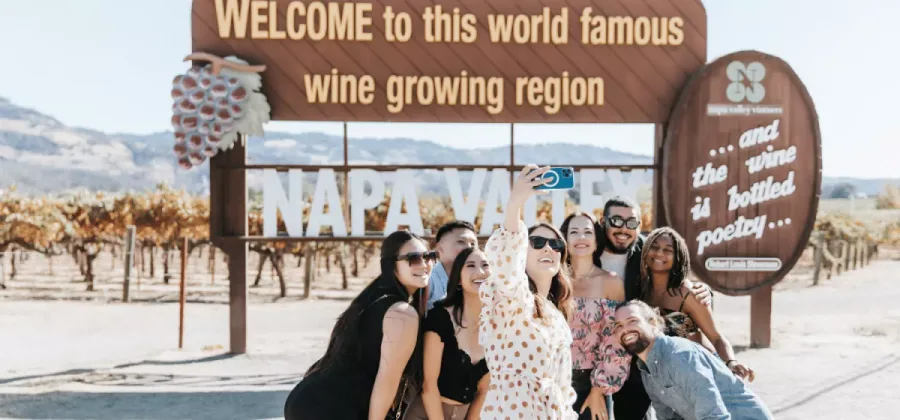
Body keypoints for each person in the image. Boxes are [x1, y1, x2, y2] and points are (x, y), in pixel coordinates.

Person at [283, 230, 435, 420]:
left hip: (310, 399)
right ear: (391, 265)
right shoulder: (402, 313)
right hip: (332, 407)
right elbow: (387, 380)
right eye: (413, 258)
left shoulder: (374, 297)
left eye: (428, 256)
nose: (424, 264)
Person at [477, 164, 578, 419]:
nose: (548, 249)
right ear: (523, 249)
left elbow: (565, 394)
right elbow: (507, 262)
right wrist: (515, 204)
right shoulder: (511, 297)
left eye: (556, 244)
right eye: (537, 242)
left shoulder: (557, 316)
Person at [598, 196, 712, 420]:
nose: (623, 229)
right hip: (594, 351)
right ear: (603, 222)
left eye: (631, 223)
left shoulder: (645, 251)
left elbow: (675, 275)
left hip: (638, 353)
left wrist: (704, 290)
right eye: (616, 221)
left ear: (639, 226)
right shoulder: (589, 250)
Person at [614, 300, 774, 420]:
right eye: (618, 326)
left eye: (632, 321)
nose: (625, 329)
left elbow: (715, 417)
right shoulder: (645, 369)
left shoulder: (680, 356)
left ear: (653, 323)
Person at [639, 227, 754, 381]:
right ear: (645, 251)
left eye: (668, 250)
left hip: (701, 372)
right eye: (654, 247)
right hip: (663, 379)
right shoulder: (640, 290)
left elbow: (716, 337)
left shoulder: (689, 293)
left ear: (678, 257)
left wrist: (731, 363)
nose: (659, 253)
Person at [405, 247, 491, 420]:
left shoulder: (497, 325)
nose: (480, 271)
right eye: (471, 265)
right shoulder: (440, 317)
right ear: (458, 279)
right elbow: (429, 386)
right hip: (426, 414)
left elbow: (483, 391)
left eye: (485, 265)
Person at [560, 211, 629, 420]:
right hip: (554, 381)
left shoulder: (611, 282)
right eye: (574, 232)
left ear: (596, 241)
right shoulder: (554, 281)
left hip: (593, 382)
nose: (581, 237)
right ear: (565, 240)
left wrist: (598, 390)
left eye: (587, 232)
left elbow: (615, 339)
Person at [428, 220, 478, 310]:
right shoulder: (428, 280)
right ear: (440, 248)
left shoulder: (481, 280)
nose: (469, 248)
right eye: (461, 242)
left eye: (473, 244)